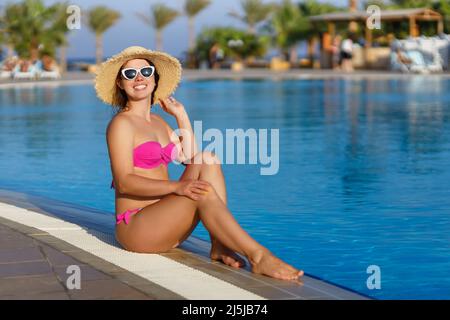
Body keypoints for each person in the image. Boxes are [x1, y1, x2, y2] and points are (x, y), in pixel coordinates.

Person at [95, 46, 303, 281]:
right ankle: (258, 256)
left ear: (155, 77)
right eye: (130, 74)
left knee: (208, 159)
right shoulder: (121, 124)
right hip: (138, 229)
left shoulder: (158, 122)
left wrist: (181, 115)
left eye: (146, 70)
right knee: (201, 192)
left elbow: (191, 158)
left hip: (166, 220)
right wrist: (177, 188)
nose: (139, 77)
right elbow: (124, 183)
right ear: (120, 84)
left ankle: (220, 244)